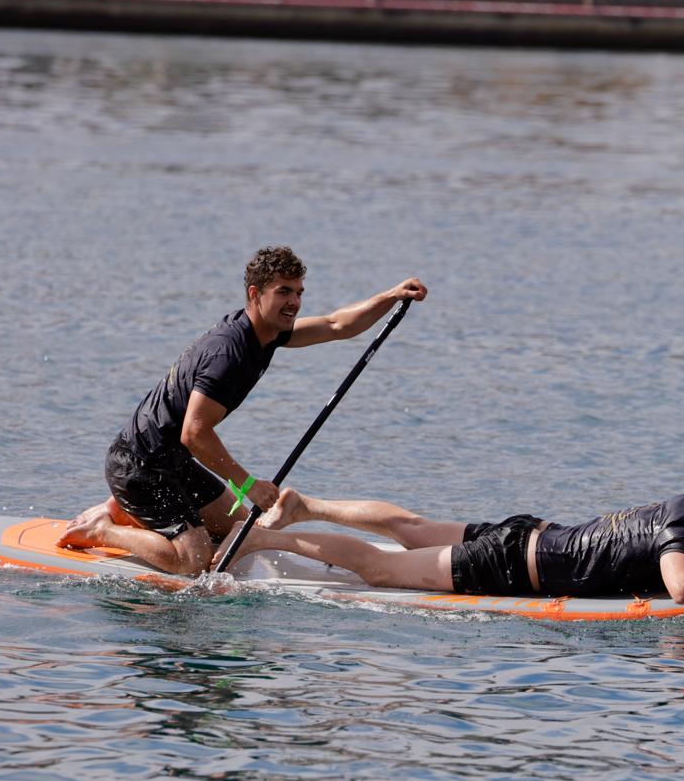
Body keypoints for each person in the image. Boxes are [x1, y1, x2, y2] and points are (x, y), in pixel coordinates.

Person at [58, 246, 426, 574]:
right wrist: (249, 485)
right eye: (283, 291)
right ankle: (101, 529)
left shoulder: (268, 333)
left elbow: (336, 325)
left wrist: (392, 296)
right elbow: (195, 433)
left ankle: (125, 511)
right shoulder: (228, 355)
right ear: (255, 294)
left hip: (173, 461)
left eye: (298, 292)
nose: (294, 302)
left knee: (238, 523)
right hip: (141, 466)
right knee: (193, 561)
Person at [219, 467, 684, 604]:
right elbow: (682, 589)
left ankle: (304, 505)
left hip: (527, 535)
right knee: (379, 567)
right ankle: (265, 541)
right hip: (505, 568)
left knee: (413, 528)